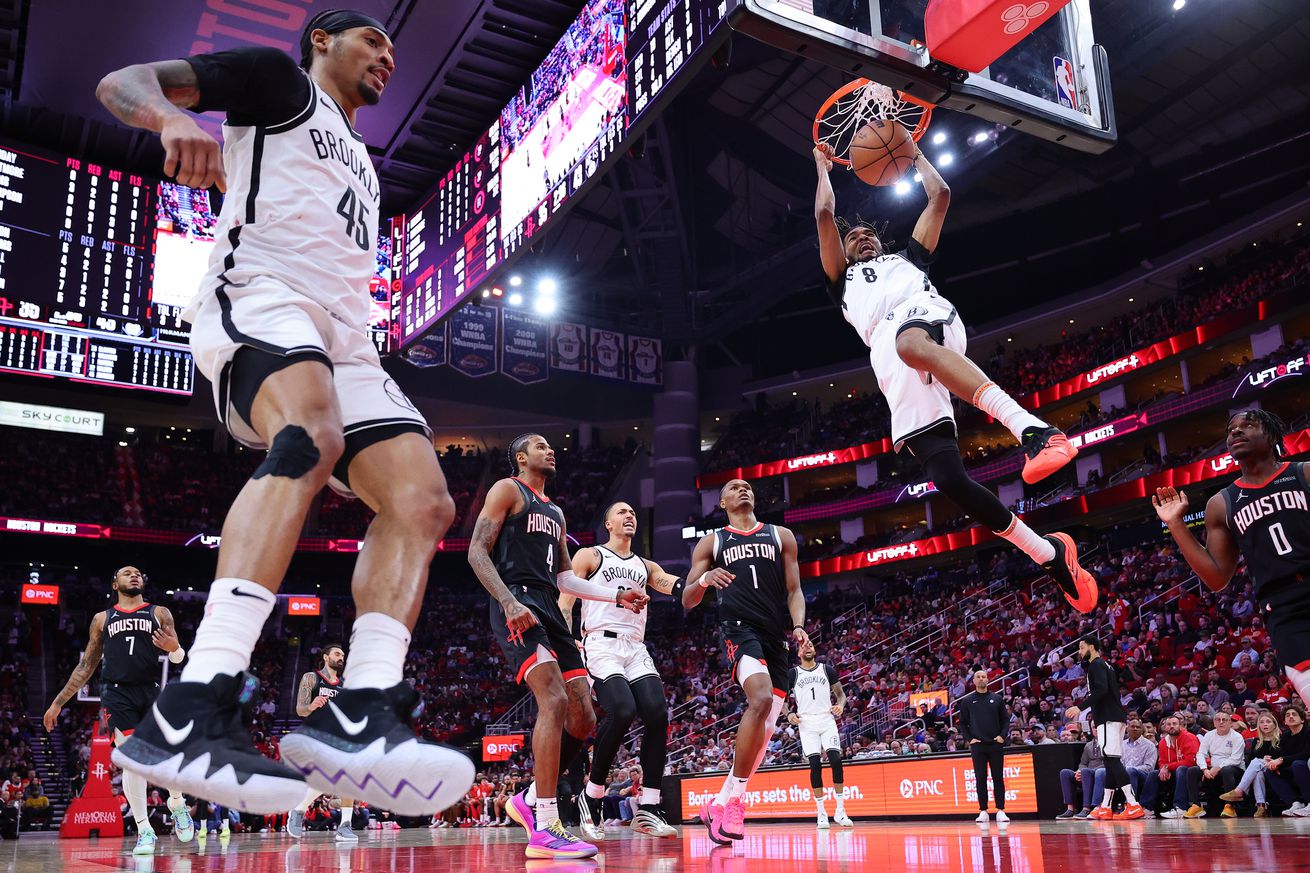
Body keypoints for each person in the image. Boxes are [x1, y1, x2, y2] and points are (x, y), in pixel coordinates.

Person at [98, 9, 474, 815]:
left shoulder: (368, 166)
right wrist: (170, 117)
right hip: (262, 295)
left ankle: (362, 708)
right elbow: (120, 83)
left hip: (347, 339)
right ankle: (197, 697)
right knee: (310, 436)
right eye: (372, 40)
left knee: (425, 501)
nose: (386, 56)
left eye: (392, 50)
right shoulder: (277, 83)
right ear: (322, 42)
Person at [812, 142, 1098, 616]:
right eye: (854, 236)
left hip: (923, 318)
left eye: (868, 233)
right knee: (947, 478)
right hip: (890, 358)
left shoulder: (908, 261)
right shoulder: (842, 281)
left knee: (910, 344)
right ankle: (1048, 554)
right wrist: (822, 168)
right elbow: (825, 215)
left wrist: (912, 151)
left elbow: (940, 195)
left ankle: (1036, 431)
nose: (862, 237)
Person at [468, 434, 648, 859]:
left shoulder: (556, 511)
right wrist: (508, 601)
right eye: (541, 446)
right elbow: (477, 551)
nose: (550, 451)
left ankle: (528, 798)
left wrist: (614, 595)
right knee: (551, 701)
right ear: (520, 456)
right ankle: (545, 825)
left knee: (583, 717)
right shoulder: (507, 489)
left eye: (551, 447)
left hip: (549, 604)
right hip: (518, 599)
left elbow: (567, 578)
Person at [1154, 410, 1310, 709]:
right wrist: (1176, 524)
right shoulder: (1221, 503)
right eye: (1231, 429)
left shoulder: (1303, 473)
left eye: (1248, 425)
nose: (1236, 432)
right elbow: (1216, 578)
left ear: (1272, 435)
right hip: (1285, 610)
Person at [684, 478, 809, 845]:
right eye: (734, 487)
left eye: (747, 486)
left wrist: (799, 625)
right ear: (722, 502)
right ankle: (737, 801)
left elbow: (794, 590)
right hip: (738, 629)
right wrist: (705, 578)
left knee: (767, 730)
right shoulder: (712, 542)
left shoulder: (780, 535)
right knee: (761, 698)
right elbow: (687, 600)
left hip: (775, 635)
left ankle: (721, 802)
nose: (743, 489)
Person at [42, 566, 195, 854]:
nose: (134, 575)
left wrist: (176, 648)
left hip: (150, 689)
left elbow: (177, 655)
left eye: (137, 573)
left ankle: (176, 802)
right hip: (116, 693)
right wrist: (58, 702)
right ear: (115, 583)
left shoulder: (159, 612)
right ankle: (144, 829)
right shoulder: (103, 619)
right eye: (127, 573)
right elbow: (86, 666)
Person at [560, 501, 679, 839]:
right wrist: (569, 643)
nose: (630, 516)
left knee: (657, 714)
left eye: (633, 513)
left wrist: (700, 583)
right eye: (622, 512)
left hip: (634, 646)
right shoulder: (590, 556)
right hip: (599, 644)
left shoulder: (645, 565)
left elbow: (671, 582)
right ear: (607, 523)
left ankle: (650, 808)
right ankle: (592, 795)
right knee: (623, 710)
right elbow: (565, 602)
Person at [284, 644, 356, 842]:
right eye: (337, 654)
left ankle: (344, 826)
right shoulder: (311, 678)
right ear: (326, 657)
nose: (341, 657)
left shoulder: (345, 686)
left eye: (342, 655)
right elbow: (300, 710)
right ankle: (299, 809)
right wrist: (311, 705)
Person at [785, 640, 852, 828]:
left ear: (815, 650)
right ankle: (821, 813)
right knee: (815, 765)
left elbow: (841, 694)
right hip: (806, 723)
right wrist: (789, 713)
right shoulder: (793, 674)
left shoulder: (827, 669)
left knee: (836, 760)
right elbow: (780, 700)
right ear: (798, 653)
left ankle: (840, 811)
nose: (808, 648)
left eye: (811, 646)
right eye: (804, 647)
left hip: (826, 719)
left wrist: (840, 705)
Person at [1075, 635, 1143, 820]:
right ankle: (1105, 806)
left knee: (1112, 760)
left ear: (1092, 647)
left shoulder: (1096, 665)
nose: (1079, 652)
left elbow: (1101, 690)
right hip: (1113, 717)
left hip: (1108, 718)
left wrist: (1079, 707)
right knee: (1109, 761)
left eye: (1082, 648)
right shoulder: (1106, 665)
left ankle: (1134, 804)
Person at [956, 669, 1009, 824]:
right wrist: (969, 738)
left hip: (995, 744)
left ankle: (1001, 810)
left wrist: (1002, 736)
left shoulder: (997, 698)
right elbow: (963, 723)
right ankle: (983, 811)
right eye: (978, 677)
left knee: (998, 777)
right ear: (974, 681)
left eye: (983, 677)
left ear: (988, 679)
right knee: (980, 778)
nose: (981, 679)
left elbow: (1005, 720)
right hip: (978, 746)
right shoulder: (967, 701)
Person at [1222, 710, 1284, 816]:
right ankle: (1261, 806)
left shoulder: (1281, 739)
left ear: (1274, 725)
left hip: (1276, 769)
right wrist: (1263, 759)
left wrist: (1272, 760)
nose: (1265, 724)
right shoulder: (1257, 741)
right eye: (1262, 722)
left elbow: (1284, 756)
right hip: (1260, 769)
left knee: (1257, 762)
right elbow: (1251, 760)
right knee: (1257, 771)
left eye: (1268, 722)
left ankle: (1239, 790)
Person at [1055, 738, 1105, 820]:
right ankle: (1070, 809)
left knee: (1086, 772)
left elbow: (1108, 763)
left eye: (1096, 727)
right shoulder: (1088, 745)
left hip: (1099, 773)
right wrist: (1079, 771)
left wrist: (1087, 771)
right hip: (1085, 773)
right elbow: (1083, 763)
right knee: (1065, 773)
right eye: (1093, 727)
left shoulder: (1107, 743)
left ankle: (1086, 808)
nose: (1096, 729)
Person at [1120, 718, 1159, 815]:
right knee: (1103, 772)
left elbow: (1149, 767)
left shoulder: (1149, 745)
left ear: (1142, 730)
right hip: (1124, 773)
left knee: (1130, 771)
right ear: (1127, 729)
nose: (1135, 729)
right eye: (1132, 726)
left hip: (1144, 776)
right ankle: (1101, 806)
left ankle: (1130, 805)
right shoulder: (1121, 744)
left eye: (1138, 727)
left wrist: (1130, 770)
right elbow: (1118, 762)